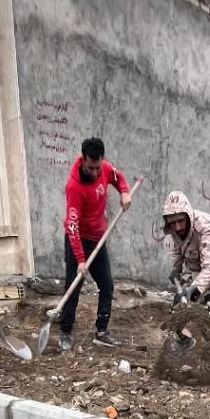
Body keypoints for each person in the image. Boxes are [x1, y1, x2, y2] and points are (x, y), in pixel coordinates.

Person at [59, 136, 132, 352]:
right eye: (91, 168)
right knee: (73, 286)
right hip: (78, 239)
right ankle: (65, 331)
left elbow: (118, 178)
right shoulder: (74, 187)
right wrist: (81, 260)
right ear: (83, 160)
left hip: (98, 239)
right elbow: (72, 225)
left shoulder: (105, 168)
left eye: (97, 167)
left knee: (107, 285)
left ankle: (101, 332)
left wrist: (125, 192)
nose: (94, 172)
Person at [161, 190, 210, 312]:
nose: (177, 227)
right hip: (194, 265)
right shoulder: (175, 229)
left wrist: (195, 288)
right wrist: (175, 269)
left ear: (188, 216)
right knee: (179, 306)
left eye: (180, 221)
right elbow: (178, 250)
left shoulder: (205, 228)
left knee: (205, 311)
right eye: (173, 223)